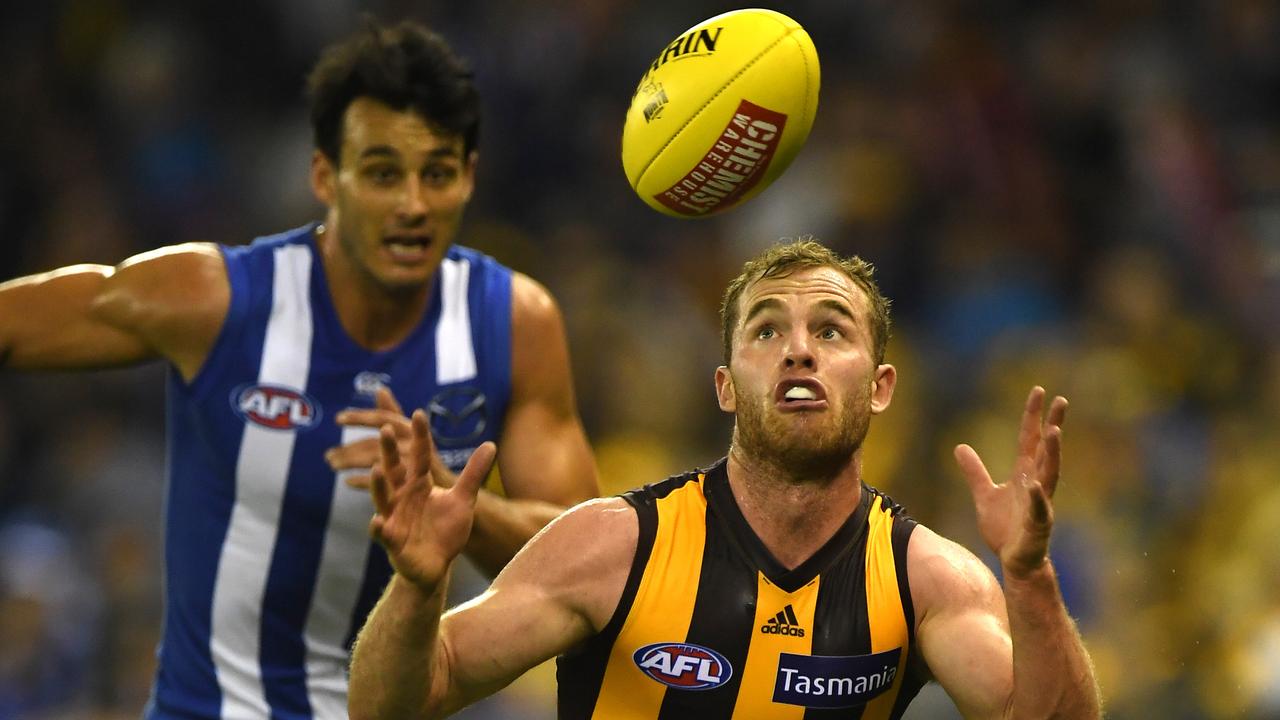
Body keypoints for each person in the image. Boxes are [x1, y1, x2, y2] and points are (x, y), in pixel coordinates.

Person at [0, 19, 597, 720]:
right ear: (323, 175)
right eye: (381, 173)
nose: (412, 204)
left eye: (436, 173)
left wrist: (456, 506)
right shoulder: (214, 298)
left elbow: (581, 568)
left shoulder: (515, 322)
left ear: (467, 178)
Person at [347, 238, 1103, 719]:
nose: (797, 350)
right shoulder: (612, 547)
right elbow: (392, 705)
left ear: (879, 387)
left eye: (831, 329)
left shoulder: (926, 579)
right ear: (726, 385)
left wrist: (1029, 577)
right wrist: (417, 586)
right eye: (767, 328)